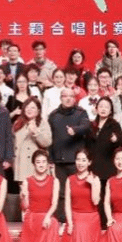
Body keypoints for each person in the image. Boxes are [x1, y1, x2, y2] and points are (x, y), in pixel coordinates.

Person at [48, 86, 90, 225]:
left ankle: (77, 219)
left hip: (76, 161)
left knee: (77, 191)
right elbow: (50, 138)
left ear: (75, 99)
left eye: (71, 96)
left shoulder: (81, 113)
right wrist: (50, 159)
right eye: (65, 96)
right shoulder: (53, 115)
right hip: (59, 160)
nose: (68, 99)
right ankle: (62, 220)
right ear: (61, 98)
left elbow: (86, 126)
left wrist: (75, 130)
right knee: (60, 192)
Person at [18, 150, 61, 242]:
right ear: (34, 164)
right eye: (38, 162)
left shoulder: (54, 181)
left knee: (53, 223)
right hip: (32, 216)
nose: (41, 165)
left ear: (47, 164)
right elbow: (25, 206)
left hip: (47, 215)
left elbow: (54, 203)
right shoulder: (27, 181)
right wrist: (23, 196)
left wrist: (47, 216)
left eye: (43, 162)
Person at [65, 149, 103, 242]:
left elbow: (96, 201)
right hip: (75, 216)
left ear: (89, 162)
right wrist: (70, 222)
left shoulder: (95, 179)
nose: (80, 163)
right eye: (78, 160)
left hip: (90, 217)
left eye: (83, 160)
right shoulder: (70, 179)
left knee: (82, 230)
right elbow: (67, 204)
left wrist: (92, 184)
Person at [12, 97, 52, 184]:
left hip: (36, 164)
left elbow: (47, 142)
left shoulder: (42, 123)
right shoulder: (18, 123)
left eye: (33, 107)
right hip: (21, 164)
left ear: (38, 110)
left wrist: (36, 132)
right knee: (23, 189)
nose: (29, 110)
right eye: (27, 107)